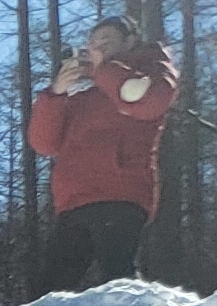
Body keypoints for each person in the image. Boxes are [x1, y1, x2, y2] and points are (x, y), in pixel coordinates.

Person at [29, 19, 181, 287]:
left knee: (117, 273)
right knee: (49, 288)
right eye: (93, 42)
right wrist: (56, 94)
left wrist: (103, 70)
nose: (96, 47)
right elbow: (44, 143)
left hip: (121, 191)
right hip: (74, 199)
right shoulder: (85, 97)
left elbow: (147, 102)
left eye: (106, 40)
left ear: (130, 41)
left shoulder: (152, 71)